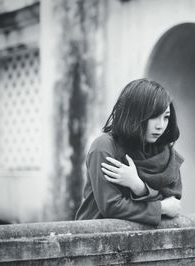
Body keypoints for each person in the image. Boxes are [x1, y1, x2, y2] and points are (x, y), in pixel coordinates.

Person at [75, 78, 183, 225]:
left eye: (166, 117)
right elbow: (111, 206)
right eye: (154, 116)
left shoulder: (165, 154)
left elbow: (174, 204)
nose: (161, 125)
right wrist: (161, 207)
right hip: (99, 240)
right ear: (134, 114)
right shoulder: (104, 147)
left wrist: (138, 186)